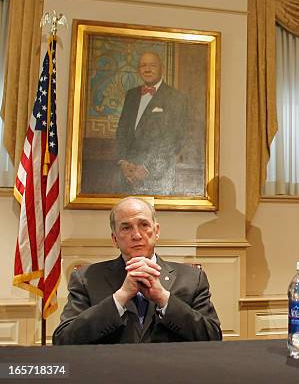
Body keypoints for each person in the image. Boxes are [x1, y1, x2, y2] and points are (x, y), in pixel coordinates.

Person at [53, 197, 222, 344]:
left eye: (144, 225)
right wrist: (119, 298)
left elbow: (212, 336)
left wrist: (164, 299)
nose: (136, 235)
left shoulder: (192, 278)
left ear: (156, 231)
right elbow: (63, 339)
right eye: (126, 228)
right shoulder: (86, 279)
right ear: (114, 239)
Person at [115, 51, 188, 195]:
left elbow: (175, 139)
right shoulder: (131, 95)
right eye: (143, 65)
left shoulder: (176, 97)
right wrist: (123, 162)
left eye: (152, 65)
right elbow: (122, 130)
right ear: (138, 70)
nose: (147, 69)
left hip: (158, 177)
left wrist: (147, 168)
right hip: (127, 177)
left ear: (162, 68)